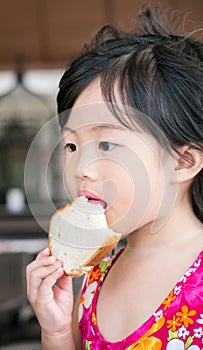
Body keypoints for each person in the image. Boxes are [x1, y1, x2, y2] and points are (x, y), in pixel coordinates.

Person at [26, 6, 203, 349]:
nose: (81, 168)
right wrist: (58, 331)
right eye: (72, 145)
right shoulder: (97, 271)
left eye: (107, 144)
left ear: (182, 161)